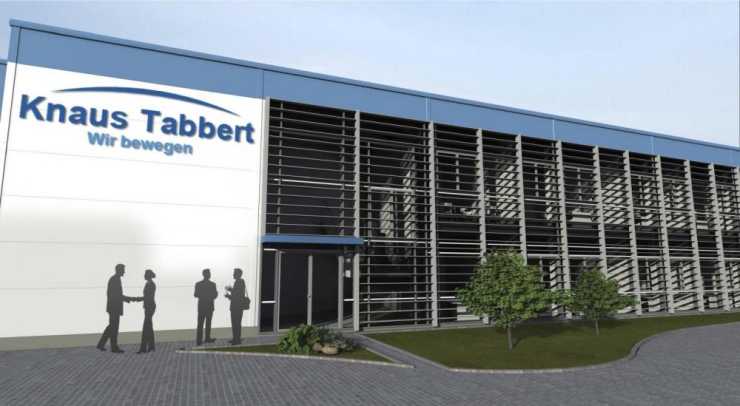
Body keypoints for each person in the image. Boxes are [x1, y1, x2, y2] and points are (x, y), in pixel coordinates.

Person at [97, 264, 140, 353]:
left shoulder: (115, 279)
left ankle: (101, 344)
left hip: (113, 307)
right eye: (123, 270)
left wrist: (130, 299)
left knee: (111, 327)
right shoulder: (115, 280)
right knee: (114, 328)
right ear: (119, 270)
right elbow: (117, 295)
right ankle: (114, 347)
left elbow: (116, 295)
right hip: (114, 308)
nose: (124, 272)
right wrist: (132, 299)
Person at [194, 268, 218, 345]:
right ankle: (207, 338)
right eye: (209, 273)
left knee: (200, 324)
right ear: (206, 275)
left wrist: (203, 295)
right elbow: (215, 295)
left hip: (202, 306)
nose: (209, 275)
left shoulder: (198, 284)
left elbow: (196, 294)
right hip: (209, 306)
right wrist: (209, 296)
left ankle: (199, 340)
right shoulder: (213, 284)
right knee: (207, 323)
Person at [225, 268, 247, 345]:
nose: (233, 274)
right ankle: (236, 338)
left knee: (236, 323)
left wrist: (228, 295)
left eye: (234, 273)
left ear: (238, 274)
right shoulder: (239, 282)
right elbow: (236, 293)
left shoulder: (239, 282)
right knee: (236, 323)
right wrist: (231, 290)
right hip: (237, 306)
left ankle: (237, 340)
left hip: (236, 307)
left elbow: (237, 295)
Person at [137, 269, 157, 354]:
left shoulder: (151, 284)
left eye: (145, 274)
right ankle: (151, 347)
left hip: (150, 307)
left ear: (148, 275)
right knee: (148, 327)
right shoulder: (148, 283)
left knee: (146, 327)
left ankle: (144, 348)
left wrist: (137, 299)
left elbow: (147, 297)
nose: (144, 275)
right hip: (148, 307)